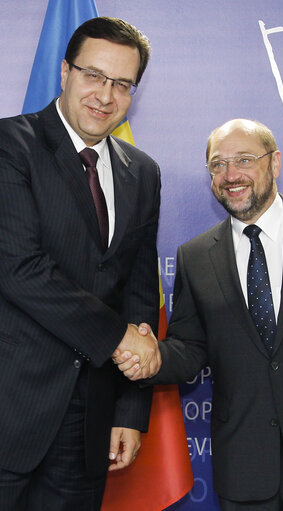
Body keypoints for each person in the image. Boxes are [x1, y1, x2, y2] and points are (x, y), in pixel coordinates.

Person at [114, 119, 283, 511]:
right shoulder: (195, 256)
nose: (230, 175)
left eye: (244, 160)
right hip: (245, 466)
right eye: (218, 165)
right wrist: (149, 358)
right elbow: (189, 348)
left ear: (275, 164)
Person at [0, 16, 161, 511]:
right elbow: (20, 269)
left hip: (88, 428)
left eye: (122, 84)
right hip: (10, 410)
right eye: (93, 75)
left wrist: (131, 409)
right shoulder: (10, 146)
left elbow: (138, 292)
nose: (105, 95)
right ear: (64, 71)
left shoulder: (143, 174)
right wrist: (118, 339)